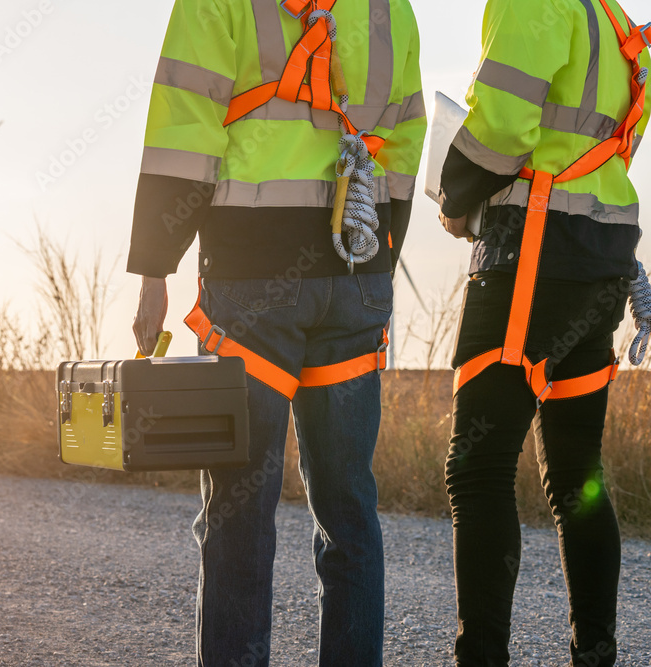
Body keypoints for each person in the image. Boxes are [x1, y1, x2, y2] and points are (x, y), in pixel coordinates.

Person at [127, 1, 425, 664]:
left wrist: (154, 264)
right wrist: (380, 250)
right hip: (355, 274)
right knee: (349, 508)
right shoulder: (388, 9)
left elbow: (186, 128)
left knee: (239, 507)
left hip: (253, 276)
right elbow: (404, 142)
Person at [438, 0, 650, 665]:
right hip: (601, 259)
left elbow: (501, 127)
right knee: (577, 471)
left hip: (531, 256)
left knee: (478, 467)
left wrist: (452, 192)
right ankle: (595, 649)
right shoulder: (612, 22)